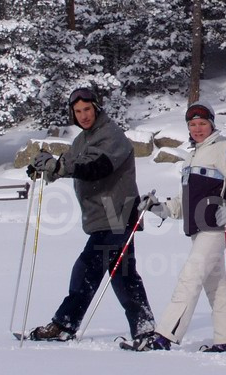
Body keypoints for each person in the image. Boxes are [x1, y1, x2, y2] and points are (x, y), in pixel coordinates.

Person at [125, 100, 226, 352]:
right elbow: (184, 201)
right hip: (198, 228)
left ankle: (164, 336)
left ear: (212, 124)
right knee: (215, 284)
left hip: (216, 226)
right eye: (193, 124)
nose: (198, 129)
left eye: (202, 123)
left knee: (189, 278)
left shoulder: (224, 148)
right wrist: (159, 207)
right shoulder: (192, 156)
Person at [26, 87, 155, 348]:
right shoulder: (82, 140)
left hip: (116, 214)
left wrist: (59, 166)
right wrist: (43, 169)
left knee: (87, 267)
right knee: (123, 274)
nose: (83, 115)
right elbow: (66, 165)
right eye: (78, 112)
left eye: (87, 109)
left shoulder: (111, 135)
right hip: (103, 217)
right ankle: (145, 329)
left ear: (96, 108)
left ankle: (65, 324)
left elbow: (97, 168)